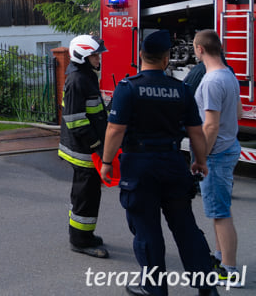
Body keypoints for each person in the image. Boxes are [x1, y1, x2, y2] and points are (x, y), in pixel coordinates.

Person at [100, 30, 219, 296]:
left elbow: (115, 130)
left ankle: (155, 290)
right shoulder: (181, 90)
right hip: (174, 164)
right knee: (186, 228)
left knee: (147, 231)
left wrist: (107, 162)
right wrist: (200, 161)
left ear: (140, 55)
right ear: (167, 59)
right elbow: (196, 131)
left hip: (140, 167)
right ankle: (207, 288)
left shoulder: (128, 87)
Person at [193, 30, 244, 288]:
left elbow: (210, 126)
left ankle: (230, 270)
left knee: (221, 213)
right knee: (217, 211)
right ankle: (220, 258)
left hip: (216, 154)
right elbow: (239, 110)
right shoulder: (229, 75)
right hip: (229, 147)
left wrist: (202, 156)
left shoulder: (211, 81)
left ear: (200, 49)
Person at [58, 34, 110, 258]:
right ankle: (79, 240)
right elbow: (75, 120)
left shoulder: (85, 76)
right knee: (84, 196)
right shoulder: (77, 80)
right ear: (82, 56)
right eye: (94, 55)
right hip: (84, 151)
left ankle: (85, 234)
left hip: (88, 149)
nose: (98, 58)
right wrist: (97, 144)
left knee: (89, 195)